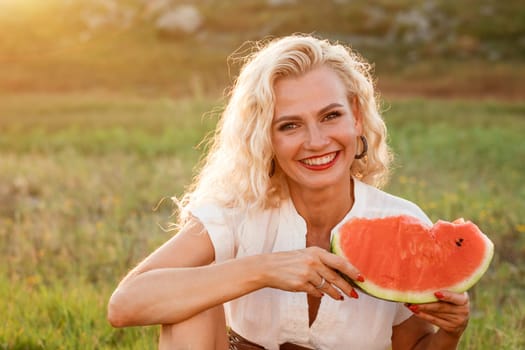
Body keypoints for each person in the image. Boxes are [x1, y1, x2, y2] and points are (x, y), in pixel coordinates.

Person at [107, 34, 470, 349]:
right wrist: (265, 269)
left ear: (356, 117)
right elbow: (124, 304)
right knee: (189, 302)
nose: (316, 142)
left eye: (331, 116)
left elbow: (415, 347)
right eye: (290, 125)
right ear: (265, 137)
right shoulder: (236, 211)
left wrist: (450, 333)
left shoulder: (401, 223)